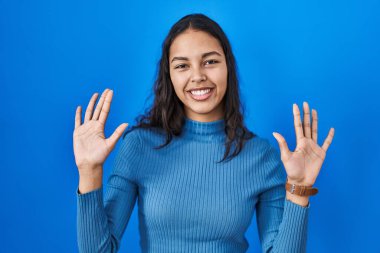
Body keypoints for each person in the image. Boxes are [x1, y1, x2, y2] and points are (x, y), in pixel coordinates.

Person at [73, 13, 335, 253]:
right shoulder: (139, 146)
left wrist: (299, 188)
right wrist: (89, 171)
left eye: (210, 61)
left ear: (228, 66)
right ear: (170, 76)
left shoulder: (261, 156)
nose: (197, 76)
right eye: (182, 65)